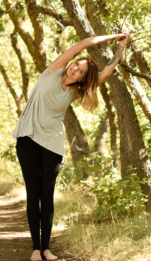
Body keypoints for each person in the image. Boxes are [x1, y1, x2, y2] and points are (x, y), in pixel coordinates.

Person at [12, 32, 130, 261]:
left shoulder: (76, 91)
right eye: (76, 65)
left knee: (47, 196)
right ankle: (35, 248)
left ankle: (46, 248)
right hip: (27, 138)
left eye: (81, 71)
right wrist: (113, 36)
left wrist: (120, 50)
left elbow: (105, 72)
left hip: (52, 145)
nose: (75, 69)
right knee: (33, 193)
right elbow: (82, 44)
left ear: (82, 79)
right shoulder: (53, 71)